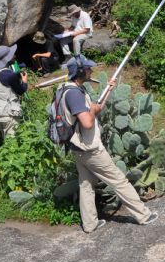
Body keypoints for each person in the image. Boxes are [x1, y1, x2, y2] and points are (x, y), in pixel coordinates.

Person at [60, 55, 158, 233]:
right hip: (90, 149)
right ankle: (143, 215)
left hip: (78, 148)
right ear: (80, 72)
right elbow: (87, 122)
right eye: (88, 68)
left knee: (86, 185)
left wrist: (108, 92)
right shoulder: (74, 94)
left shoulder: (67, 88)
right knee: (119, 180)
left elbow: (94, 110)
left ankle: (90, 224)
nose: (91, 70)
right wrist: (93, 110)